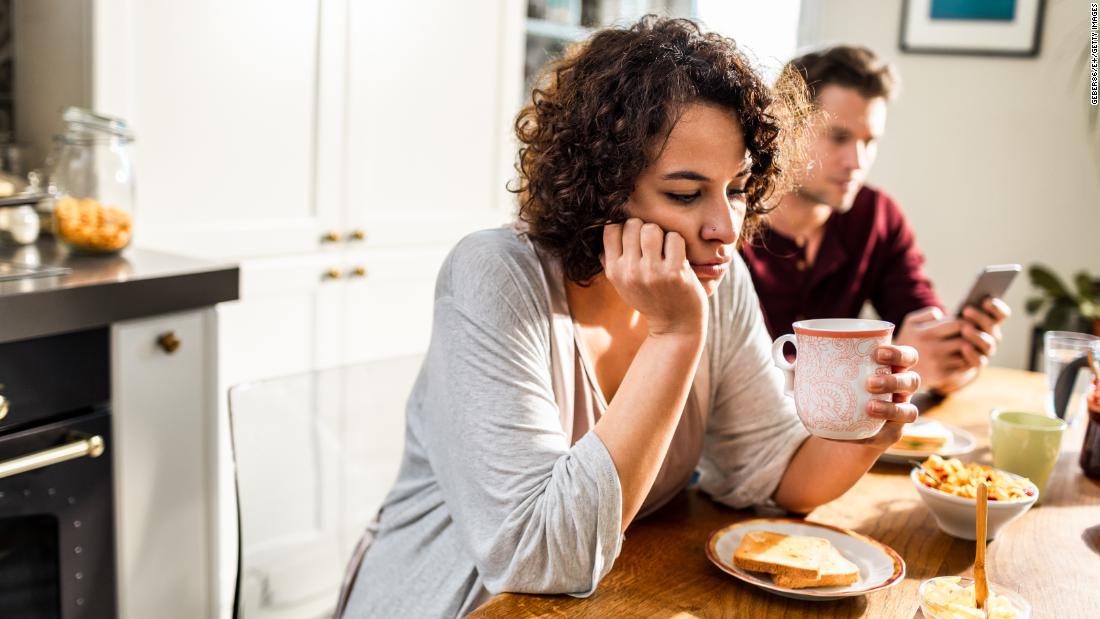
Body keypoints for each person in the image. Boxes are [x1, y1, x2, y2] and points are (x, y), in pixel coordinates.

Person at [339, 18, 920, 618]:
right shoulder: (495, 276)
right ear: (603, 188)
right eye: (685, 194)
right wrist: (674, 336)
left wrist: (868, 436)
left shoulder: (715, 277)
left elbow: (773, 472)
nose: (724, 228)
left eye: (739, 187)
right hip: (458, 603)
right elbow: (538, 560)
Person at [739, 45, 1010, 395]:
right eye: (839, 137)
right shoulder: (729, 220)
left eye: (870, 141)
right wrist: (886, 369)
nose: (857, 160)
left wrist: (957, 358)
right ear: (786, 124)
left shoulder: (876, 216)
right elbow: (737, 390)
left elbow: (923, 323)